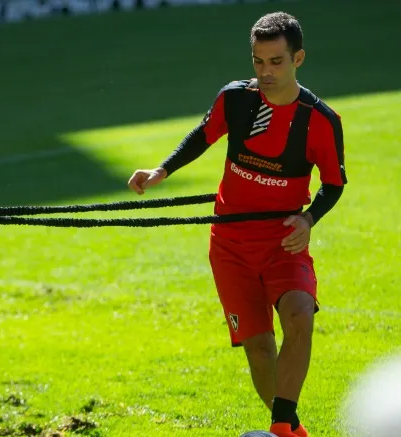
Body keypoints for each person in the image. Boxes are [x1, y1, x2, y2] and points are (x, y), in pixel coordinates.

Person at [127, 12, 346, 437]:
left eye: (276, 61)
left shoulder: (320, 120)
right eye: (258, 61)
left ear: (298, 58)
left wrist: (309, 218)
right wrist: (160, 171)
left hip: (283, 243)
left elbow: (334, 184)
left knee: (300, 315)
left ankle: (281, 429)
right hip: (229, 245)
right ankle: (291, 429)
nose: (266, 72)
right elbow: (203, 134)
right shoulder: (235, 98)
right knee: (259, 350)